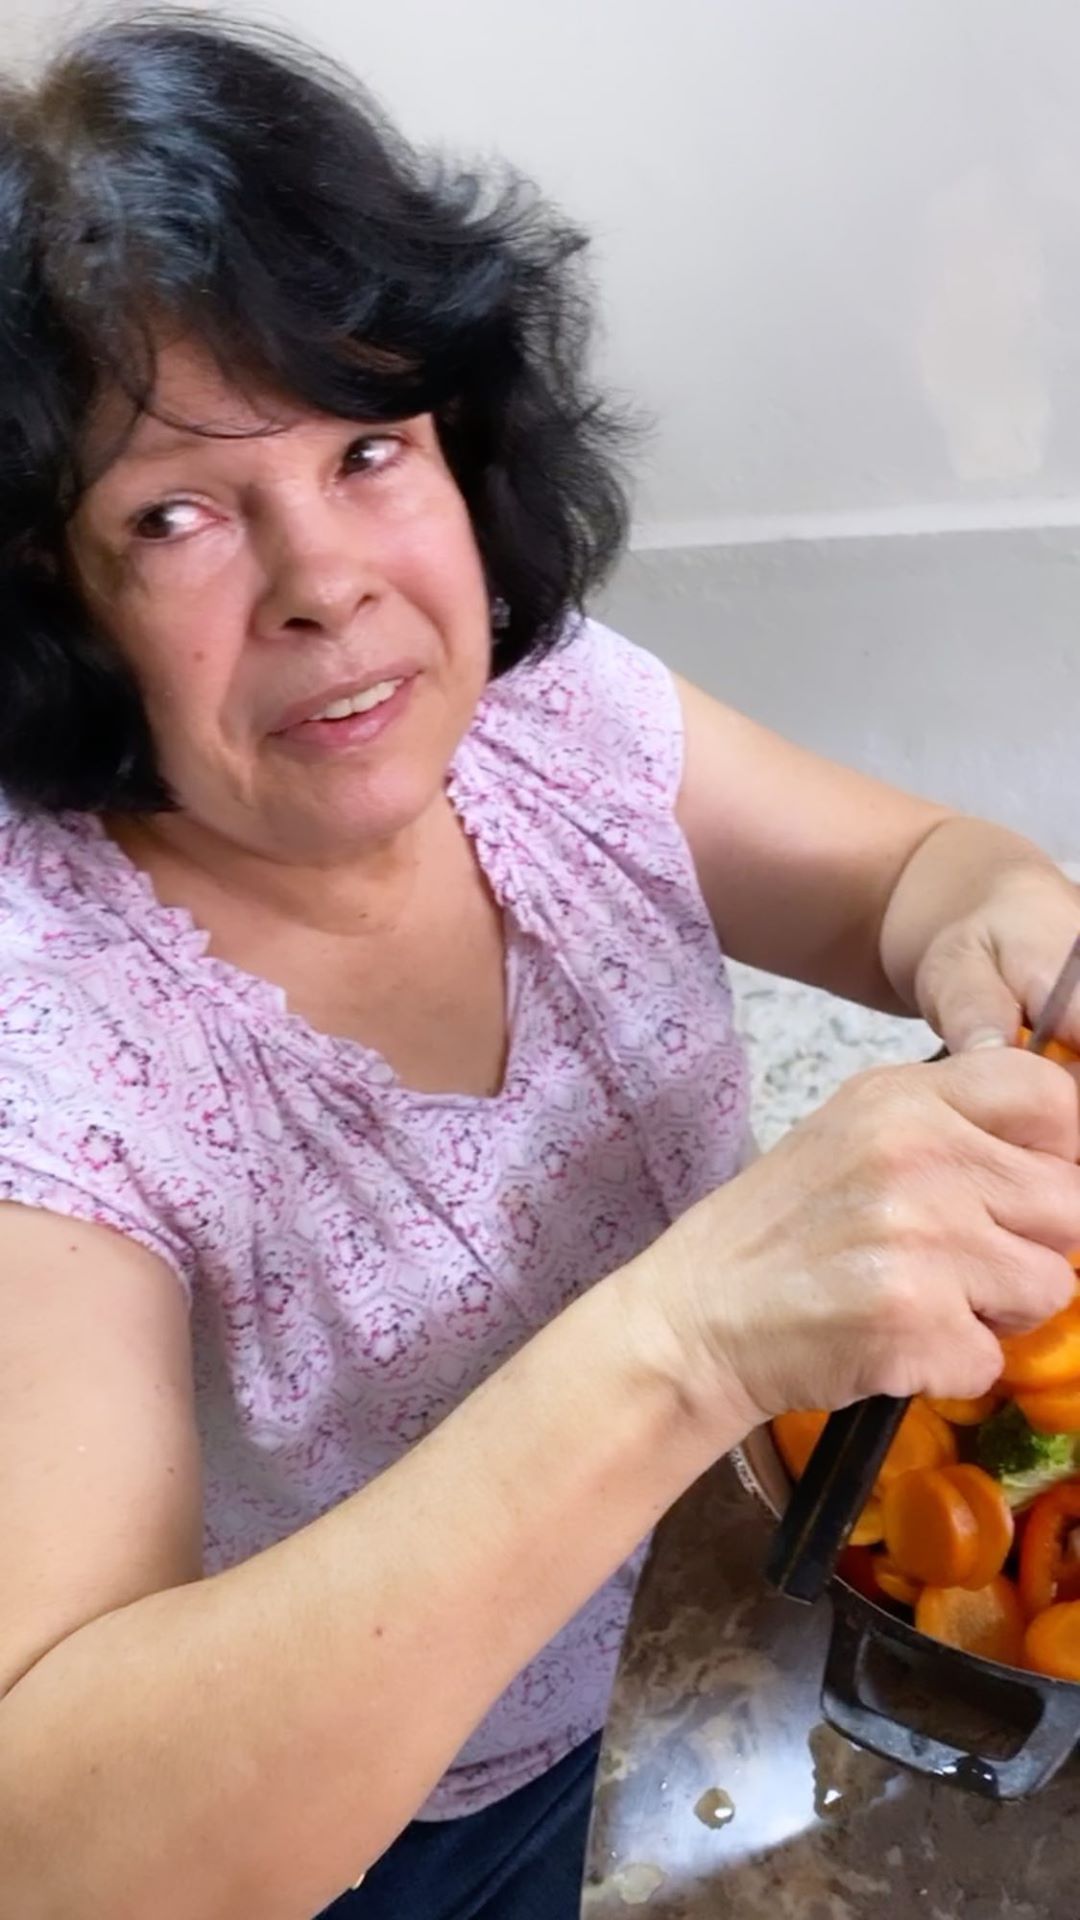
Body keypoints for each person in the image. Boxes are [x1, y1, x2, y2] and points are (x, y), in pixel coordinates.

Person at [1, 14, 1079, 1920]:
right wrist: (685, 1337)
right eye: (173, 515)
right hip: (411, 1808)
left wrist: (999, 918)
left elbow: (918, 874)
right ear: (42, 597)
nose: (327, 581)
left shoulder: (545, 712)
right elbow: (66, 1847)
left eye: (370, 448)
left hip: (755, 1587)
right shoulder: (53, 1041)